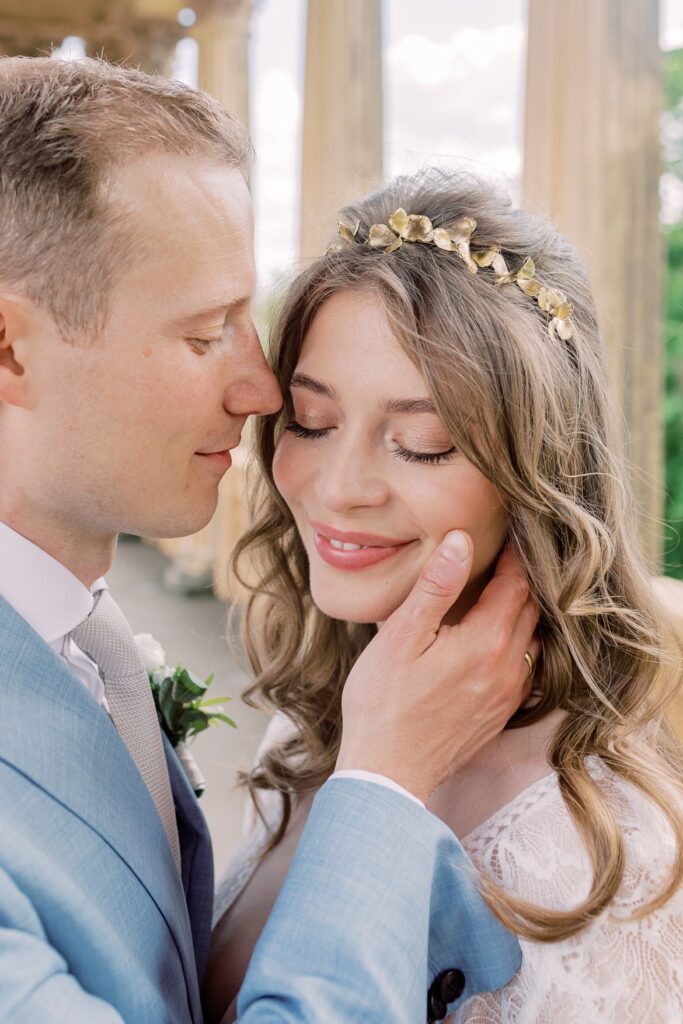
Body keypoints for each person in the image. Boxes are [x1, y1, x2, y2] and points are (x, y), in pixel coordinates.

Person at [0, 58, 540, 1024]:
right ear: (9, 349)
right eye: (208, 333)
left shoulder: (74, 628)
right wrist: (382, 782)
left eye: (419, 442)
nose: (261, 394)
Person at [208, 169, 683, 1023]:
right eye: (311, 423)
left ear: (535, 477)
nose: (339, 486)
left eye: (421, 444)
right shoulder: (319, 722)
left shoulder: (598, 863)